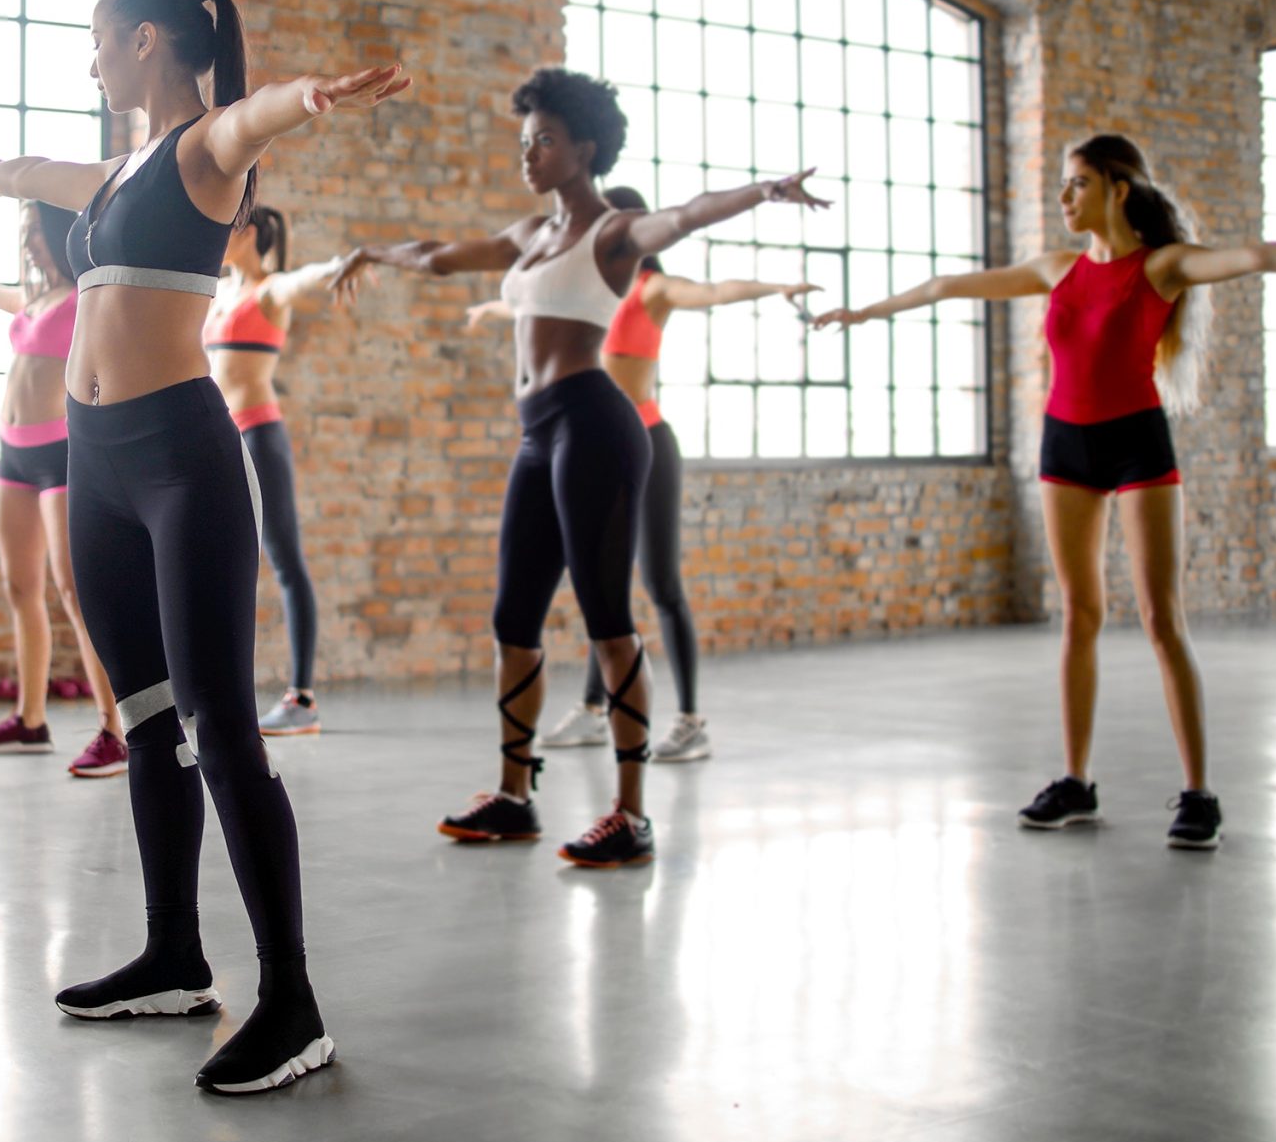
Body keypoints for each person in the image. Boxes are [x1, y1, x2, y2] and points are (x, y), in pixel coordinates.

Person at [0, 0, 408, 1093]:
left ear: (144, 42)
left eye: (98, 42)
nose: (89, 61)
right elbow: (33, 170)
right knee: (144, 721)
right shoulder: (116, 171)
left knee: (221, 727)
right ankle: (173, 955)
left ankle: (293, 1003)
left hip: (181, 463)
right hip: (94, 469)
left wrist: (309, 98)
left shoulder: (199, 152)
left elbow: (248, 118)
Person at [812, 132, 1276, 850]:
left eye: (1077, 183)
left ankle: (1199, 794)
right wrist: (862, 314)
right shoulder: (1057, 269)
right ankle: (1074, 781)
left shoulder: (1161, 268)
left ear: (1118, 187)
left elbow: (1258, 255)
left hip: (1137, 441)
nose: (1066, 197)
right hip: (1064, 444)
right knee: (1079, 614)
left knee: (1162, 618)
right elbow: (949, 285)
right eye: (1064, 186)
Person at [338, 67, 823, 868]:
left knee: (607, 620)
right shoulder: (531, 233)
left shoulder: (614, 232)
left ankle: (630, 813)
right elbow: (439, 255)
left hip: (597, 426)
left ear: (586, 148)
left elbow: (688, 215)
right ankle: (513, 795)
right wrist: (371, 250)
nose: (530, 153)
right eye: (525, 140)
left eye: (547, 140)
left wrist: (765, 190)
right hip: (537, 434)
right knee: (512, 619)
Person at [469, 185, 816, 765]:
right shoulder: (579, 289)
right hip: (588, 446)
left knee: (660, 584)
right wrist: (490, 307)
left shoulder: (652, 290)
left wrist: (774, 286)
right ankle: (596, 709)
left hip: (645, 441)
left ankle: (689, 720)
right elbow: (527, 303)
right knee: (599, 587)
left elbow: (714, 291)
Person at [0, 201, 129, 778]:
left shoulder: (86, 297)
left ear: (60, 231)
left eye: (34, 231)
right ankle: (31, 719)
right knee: (21, 588)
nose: (28, 243)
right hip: (12, 454)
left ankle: (116, 730)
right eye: (23, 233)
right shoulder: (35, 300)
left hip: (62, 455)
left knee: (75, 592)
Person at [203, 205, 369, 737]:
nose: (217, 235)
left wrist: (340, 265)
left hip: (258, 436)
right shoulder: (218, 292)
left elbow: (302, 281)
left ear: (249, 235)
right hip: (217, 440)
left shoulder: (268, 290)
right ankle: (210, 691)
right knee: (216, 565)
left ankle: (301, 698)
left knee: (285, 561)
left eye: (228, 227)